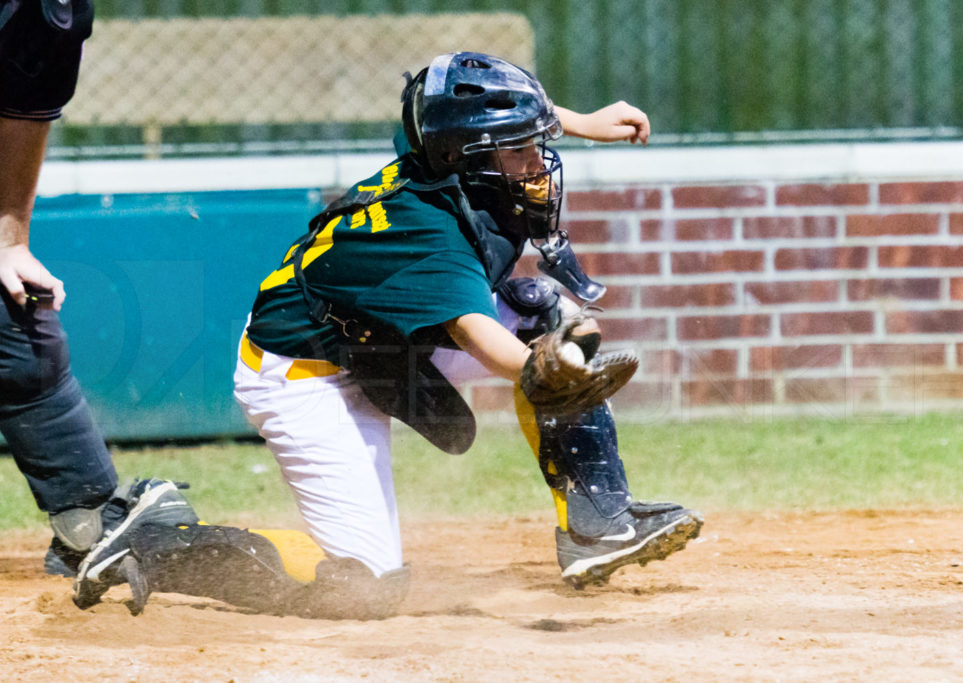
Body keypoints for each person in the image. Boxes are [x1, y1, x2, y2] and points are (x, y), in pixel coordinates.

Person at [73, 52, 701, 619]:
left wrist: (583, 120)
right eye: (520, 149)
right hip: (304, 374)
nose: (538, 163)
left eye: (535, 142)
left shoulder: (441, 154)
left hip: (376, 338)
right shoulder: (431, 231)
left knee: (541, 311)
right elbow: (484, 338)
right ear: (469, 157)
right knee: (365, 587)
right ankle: (163, 540)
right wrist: (543, 369)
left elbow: (461, 112)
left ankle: (599, 527)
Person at [1, 0, 196, 578]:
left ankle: (90, 530)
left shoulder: (47, 14)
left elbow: (23, 107)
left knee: (18, 331)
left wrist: (10, 240)